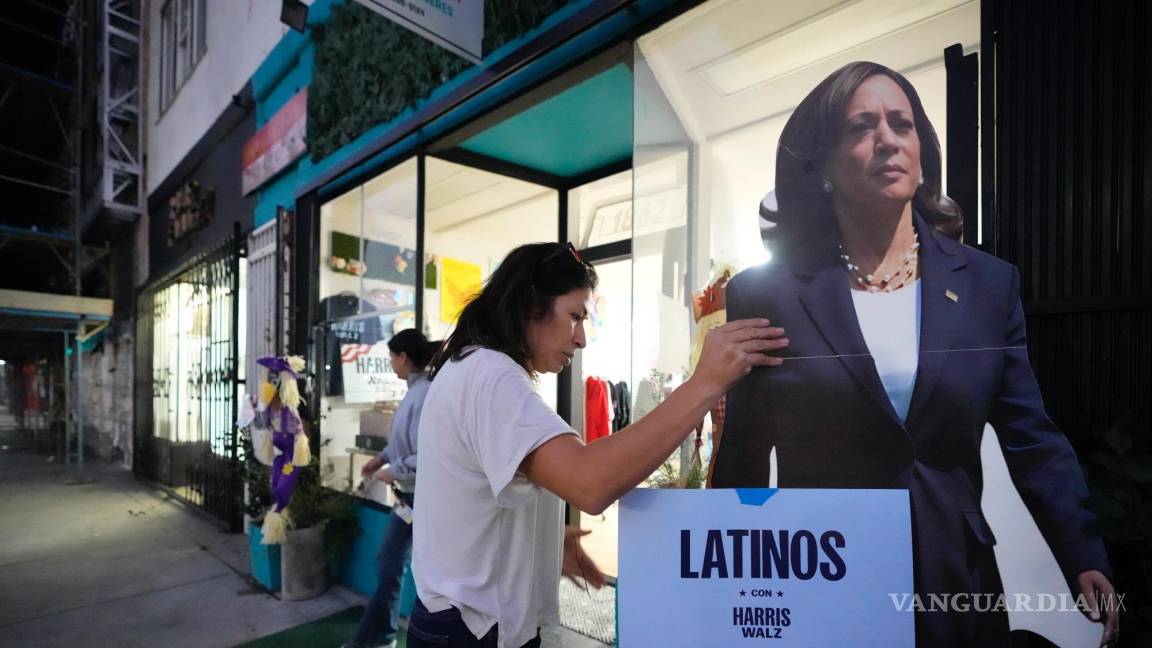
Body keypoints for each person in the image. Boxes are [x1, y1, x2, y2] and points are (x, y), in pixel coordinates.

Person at [710, 61, 1118, 646]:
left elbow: (1032, 436)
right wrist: (727, 582)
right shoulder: (765, 294)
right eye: (861, 127)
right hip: (825, 572)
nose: (887, 140)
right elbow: (745, 453)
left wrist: (1081, 550)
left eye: (901, 123)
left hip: (956, 576)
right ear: (823, 163)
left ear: (922, 148)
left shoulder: (987, 284)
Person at [408, 242, 787, 648]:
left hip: (464, 621)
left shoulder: (474, 366)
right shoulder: (492, 375)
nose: (582, 338)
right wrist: (705, 384)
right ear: (529, 304)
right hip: (470, 629)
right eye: (574, 317)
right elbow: (589, 481)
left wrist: (545, 537)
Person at [344, 329, 439, 648]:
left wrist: (394, 469)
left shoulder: (424, 393)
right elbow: (404, 441)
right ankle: (380, 637)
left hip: (420, 496)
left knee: (393, 563)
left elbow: (430, 452)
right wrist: (381, 459)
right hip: (409, 496)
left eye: (391, 357)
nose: (390, 364)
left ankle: (377, 639)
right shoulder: (415, 391)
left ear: (403, 357)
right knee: (390, 563)